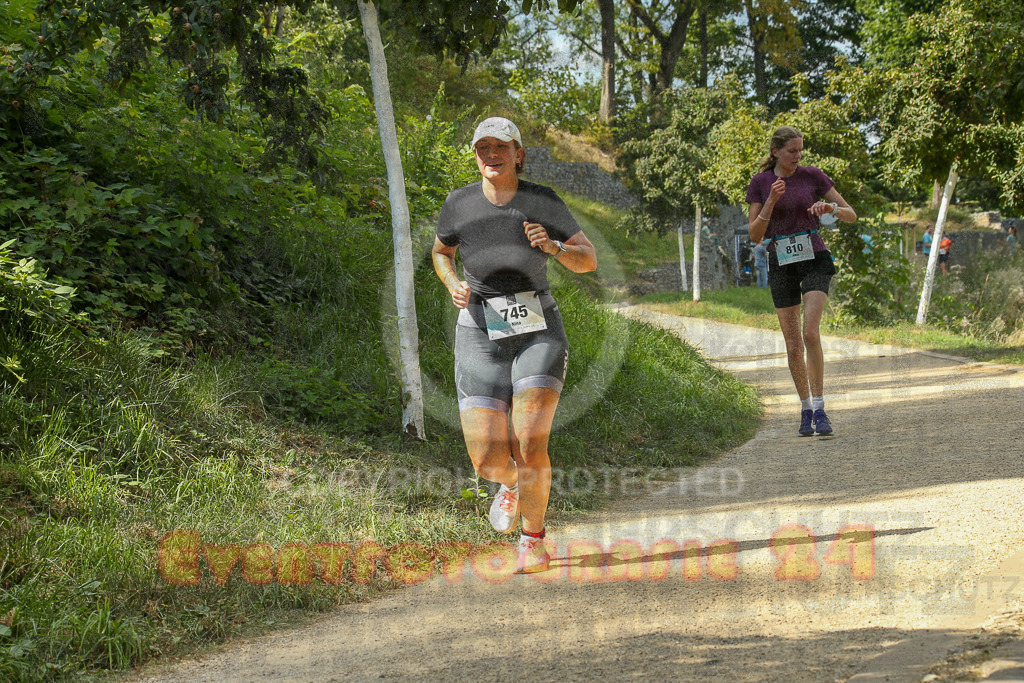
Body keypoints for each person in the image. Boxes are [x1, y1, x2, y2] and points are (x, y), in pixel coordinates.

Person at [431, 117, 597, 574]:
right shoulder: (459, 203)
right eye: (482, 147)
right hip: (479, 331)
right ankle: (510, 484)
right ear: (475, 155)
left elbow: (588, 260)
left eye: (500, 146)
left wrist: (556, 249)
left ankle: (533, 540)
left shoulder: (542, 200)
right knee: (487, 459)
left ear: (518, 153)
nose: (491, 154)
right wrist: (451, 283)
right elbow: (441, 252)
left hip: (537, 328)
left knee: (529, 439)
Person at [746, 126, 857, 437]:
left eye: (800, 150)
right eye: (792, 150)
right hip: (780, 261)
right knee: (794, 346)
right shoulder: (761, 182)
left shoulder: (813, 176)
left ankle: (821, 409)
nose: (798, 155)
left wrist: (830, 207)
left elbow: (851, 215)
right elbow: (755, 235)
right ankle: (805, 407)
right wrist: (770, 200)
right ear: (776, 152)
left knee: (810, 332)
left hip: (814, 257)